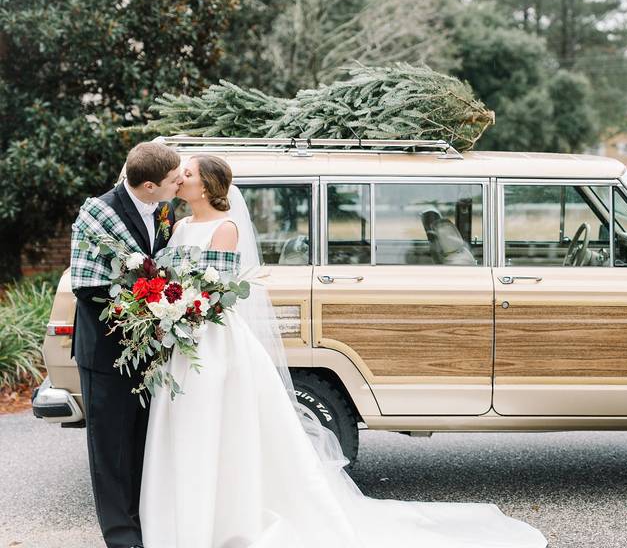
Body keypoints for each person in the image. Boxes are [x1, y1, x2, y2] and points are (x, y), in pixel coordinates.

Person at [140, 154, 548, 548]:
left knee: (222, 420)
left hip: (212, 334)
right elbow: (174, 276)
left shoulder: (224, 228)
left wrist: (185, 306)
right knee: (190, 417)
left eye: (187, 173)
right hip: (186, 336)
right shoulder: (179, 224)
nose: (179, 178)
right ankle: (189, 508)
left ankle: (222, 513)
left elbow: (218, 289)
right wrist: (165, 305)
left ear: (207, 185)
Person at [70, 142, 181, 548]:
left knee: (141, 443)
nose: (179, 183)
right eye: (172, 180)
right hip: (106, 350)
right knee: (110, 449)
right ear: (149, 185)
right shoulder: (98, 213)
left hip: (151, 349)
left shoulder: (165, 210)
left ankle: (145, 524)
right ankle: (121, 537)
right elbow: (88, 287)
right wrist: (146, 306)